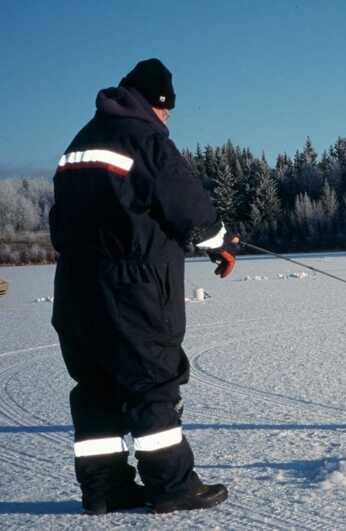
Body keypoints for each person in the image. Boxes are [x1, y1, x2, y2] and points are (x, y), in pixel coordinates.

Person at [49, 58, 239, 514]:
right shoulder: (144, 138)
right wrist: (223, 242)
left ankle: (105, 487)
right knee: (151, 377)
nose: (166, 120)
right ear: (152, 104)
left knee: (95, 383)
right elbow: (188, 207)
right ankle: (172, 484)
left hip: (76, 284)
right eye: (167, 112)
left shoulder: (79, 143)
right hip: (134, 283)